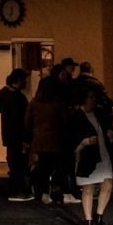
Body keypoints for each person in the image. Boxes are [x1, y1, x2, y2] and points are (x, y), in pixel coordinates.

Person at [73, 84, 113, 225]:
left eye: (94, 97)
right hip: (88, 156)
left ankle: (99, 214)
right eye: (90, 97)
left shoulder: (99, 114)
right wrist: (85, 142)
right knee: (89, 186)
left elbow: (110, 129)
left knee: (108, 183)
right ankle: (88, 219)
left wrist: (111, 136)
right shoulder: (77, 117)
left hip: (103, 152)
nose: (93, 100)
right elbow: (70, 140)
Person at [30, 60, 72, 207]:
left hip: (39, 140)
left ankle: (43, 193)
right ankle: (58, 191)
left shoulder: (34, 104)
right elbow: (65, 120)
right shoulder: (58, 104)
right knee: (57, 166)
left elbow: (27, 123)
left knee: (43, 166)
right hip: (55, 140)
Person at [0, 68, 32, 200]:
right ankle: (16, 191)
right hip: (18, 135)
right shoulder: (19, 98)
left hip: (8, 134)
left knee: (14, 163)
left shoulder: (3, 92)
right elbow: (21, 120)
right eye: (24, 79)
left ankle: (15, 190)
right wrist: (26, 138)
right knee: (19, 164)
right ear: (19, 80)